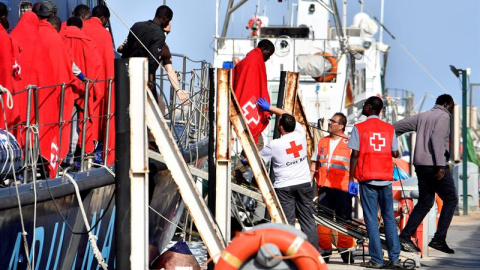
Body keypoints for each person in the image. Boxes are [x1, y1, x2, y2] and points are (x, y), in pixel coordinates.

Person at [394, 94, 457, 254]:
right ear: (447, 104)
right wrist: (439, 165)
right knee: (450, 199)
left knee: (425, 202)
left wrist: (392, 147)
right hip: (435, 165)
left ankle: (405, 236)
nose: (451, 111)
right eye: (451, 107)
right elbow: (437, 139)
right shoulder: (443, 116)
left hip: (420, 166)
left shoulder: (423, 116)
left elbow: (395, 127)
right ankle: (439, 239)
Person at [256, 97, 319, 250]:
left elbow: (258, 158)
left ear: (280, 127)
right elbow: (286, 115)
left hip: (284, 187)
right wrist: (270, 107)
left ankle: (287, 253)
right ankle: (313, 253)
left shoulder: (274, 144)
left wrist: (244, 162)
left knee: (287, 221)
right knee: (308, 220)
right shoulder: (300, 133)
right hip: (303, 183)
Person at [348, 96, 401, 269]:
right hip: (385, 179)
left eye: (365, 106)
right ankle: (395, 259)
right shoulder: (389, 129)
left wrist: (351, 177)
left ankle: (377, 260)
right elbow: (395, 153)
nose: (363, 107)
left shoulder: (359, 128)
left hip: (367, 178)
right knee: (389, 219)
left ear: (370, 108)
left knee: (371, 219)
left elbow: (354, 154)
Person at [311, 112, 355, 263]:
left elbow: (355, 164)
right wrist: (311, 181)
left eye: (333, 121)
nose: (329, 123)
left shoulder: (350, 143)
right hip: (324, 187)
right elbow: (315, 163)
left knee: (345, 221)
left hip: (343, 188)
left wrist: (354, 182)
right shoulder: (322, 141)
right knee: (323, 221)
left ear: (341, 126)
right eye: (330, 121)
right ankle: (325, 250)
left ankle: (346, 251)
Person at [83, 4, 116, 165]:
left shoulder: (79, 27)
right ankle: (94, 152)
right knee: (96, 120)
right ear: (104, 19)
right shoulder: (104, 34)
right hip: (99, 85)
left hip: (78, 83)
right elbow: (108, 64)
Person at [121, 5, 172, 102]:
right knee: (152, 105)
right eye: (168, 20)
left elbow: (126, 49)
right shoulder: (159, 35)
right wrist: (151, 81)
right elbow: (152, 60)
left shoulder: (136, 25)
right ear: (164, 18)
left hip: (125, 73)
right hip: (143, 76)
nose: (167, 24)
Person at [232, 39, 274, 144]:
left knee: (256, 143)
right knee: (257, 143)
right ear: (264, 49)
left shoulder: (247, 60)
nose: (268, 58)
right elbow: (258, 88)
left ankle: (244, 160)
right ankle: (243, 160)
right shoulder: (256, 60)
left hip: (242, 106)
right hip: (249, 108)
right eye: (269, 54)